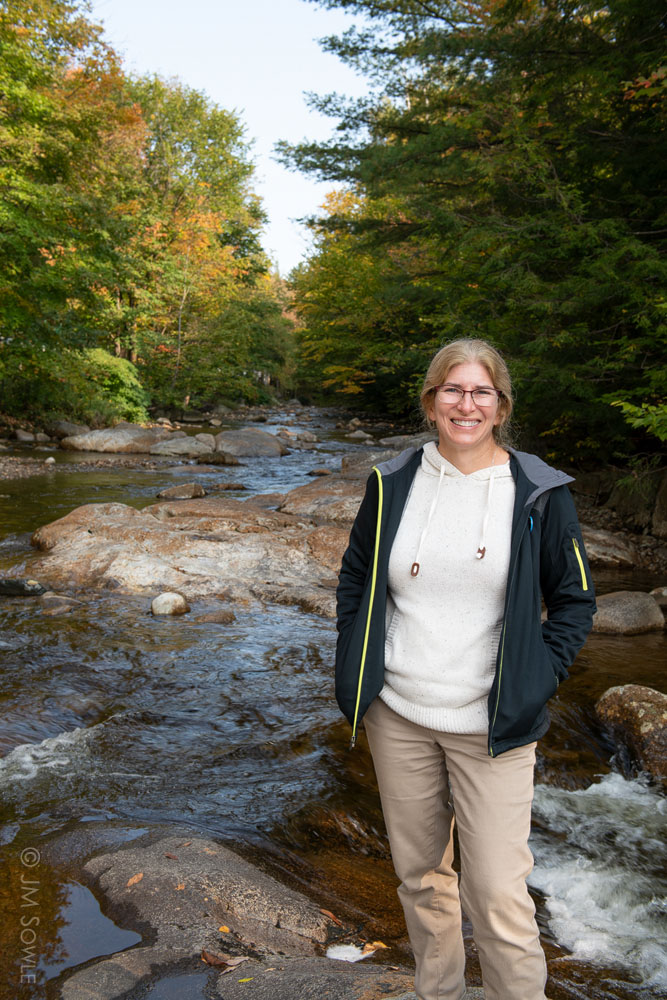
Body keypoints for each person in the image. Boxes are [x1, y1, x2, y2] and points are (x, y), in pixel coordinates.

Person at [335, 338, 596, 1000]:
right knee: (421, 879)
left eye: (481, 392)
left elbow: (574, 600)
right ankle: (439, 995)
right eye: (452, 390)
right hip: (399, 717)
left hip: (493, 723)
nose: (465, 404)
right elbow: (356, 577)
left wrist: (540, 673)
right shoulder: (391, 482)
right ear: (430, 401)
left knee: (498, 898)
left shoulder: (539, 491)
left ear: (501, 406)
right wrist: (357, 665)